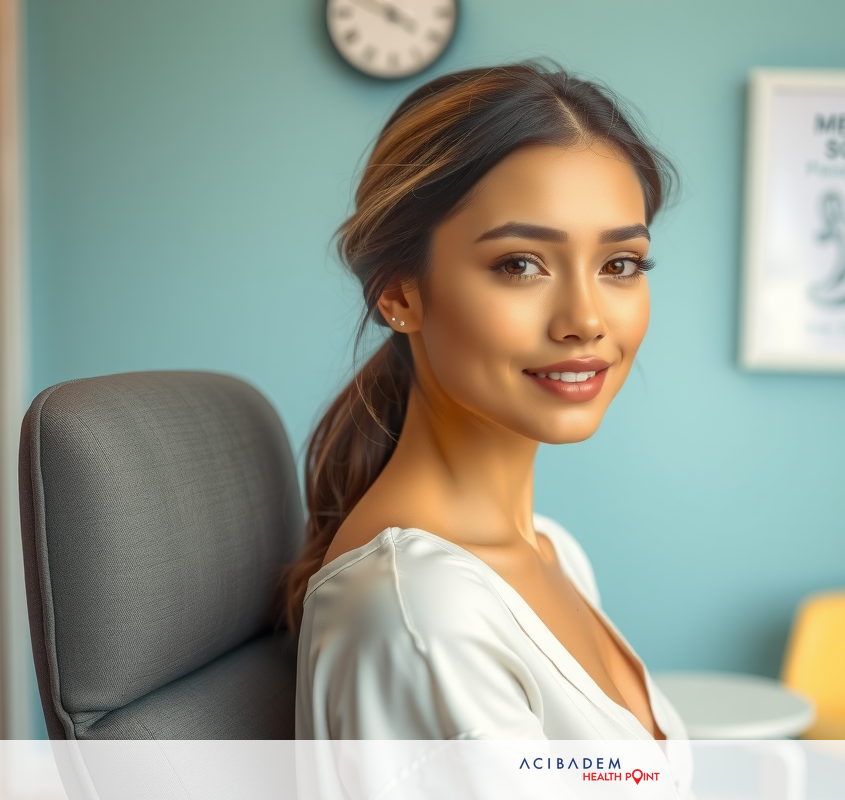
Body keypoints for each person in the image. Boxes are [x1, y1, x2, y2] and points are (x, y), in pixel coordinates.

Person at [283, 62, 687, 745]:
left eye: (620, 265)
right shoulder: (417, 610)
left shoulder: (554, 551)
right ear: (400, 294)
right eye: (520, 264)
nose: (585, 320)